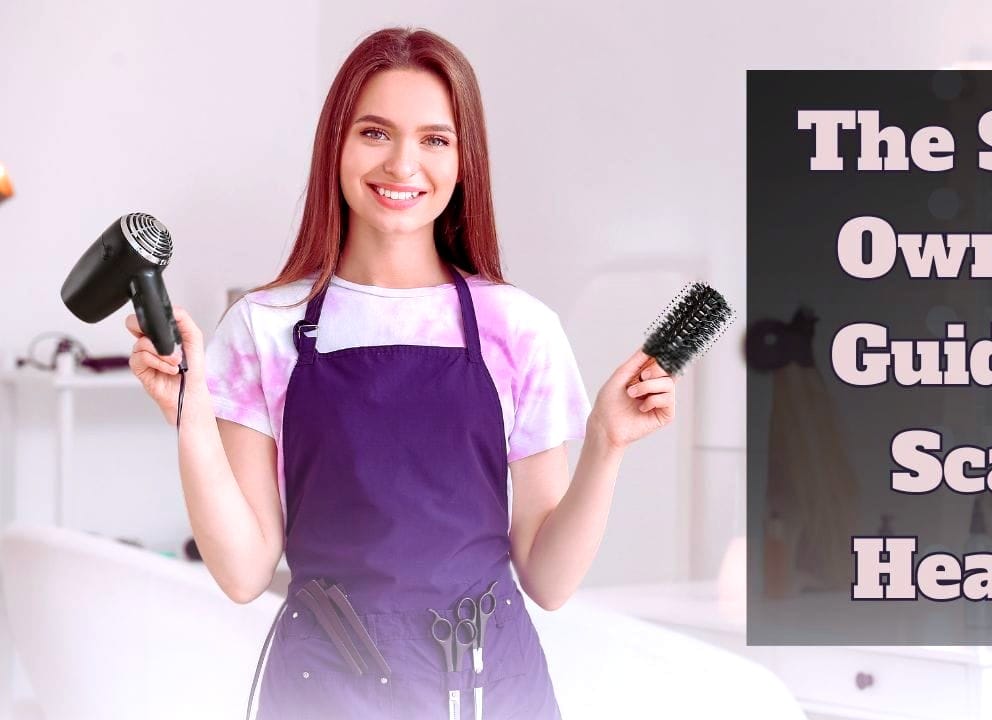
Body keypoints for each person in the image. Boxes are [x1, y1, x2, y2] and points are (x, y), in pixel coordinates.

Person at [124, 26, 675, 719]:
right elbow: (243, 572)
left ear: (464, 159)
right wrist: (190, 416)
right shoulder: (264, 327)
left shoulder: (518, 328)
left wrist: (606, 442)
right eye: (376, 133)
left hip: (486, 685)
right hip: (323, 686)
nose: (403, 164)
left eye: (435, 140)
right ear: (337, 145)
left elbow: (550, 581)